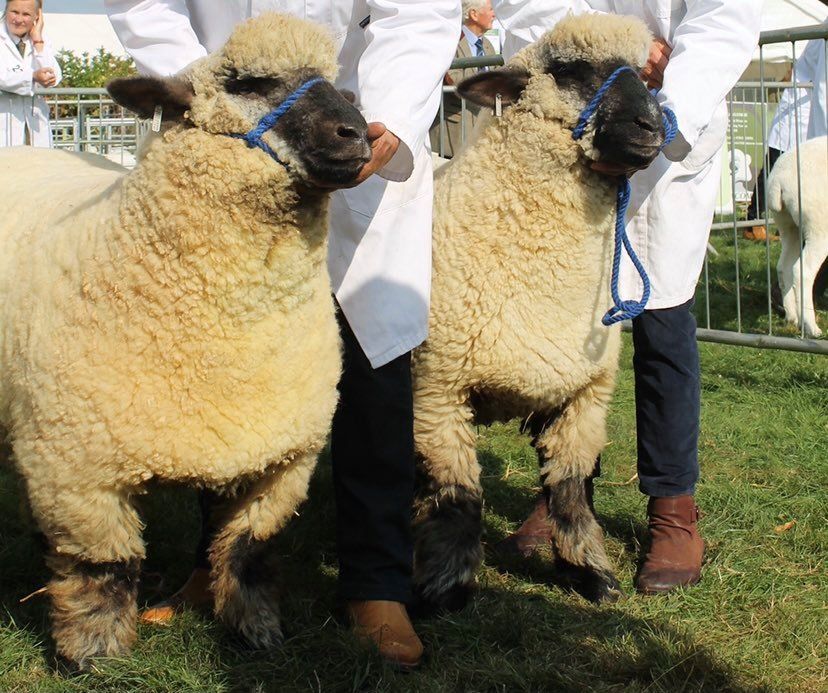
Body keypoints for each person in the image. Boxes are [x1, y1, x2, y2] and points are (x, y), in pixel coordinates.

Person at [106, 0, 459, 669]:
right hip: (231, 141)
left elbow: (417, 12)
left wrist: (379, 118)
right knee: (227, 363)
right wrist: (213, 88)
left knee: (370, 356)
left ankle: (376, 581)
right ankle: (220, 570)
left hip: (356, 128)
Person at [492, 0, 762, 595]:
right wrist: (613, 54)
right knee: (563, 327)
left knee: (663, 320)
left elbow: (724, 18)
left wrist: (668, 95)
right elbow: (531, 7)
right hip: (578, 126)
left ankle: (673, 510)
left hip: (666, 129)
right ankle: (565, 491)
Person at [745, 30, 825, 241]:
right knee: (774, 167)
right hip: (796, 111)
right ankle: (753, 221)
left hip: (806, 109)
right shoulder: (820, 37)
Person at [429, 0, 497, 158]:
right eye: (491, 9)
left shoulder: (487, 45)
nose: (494, 15)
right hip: (453, 133)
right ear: (474, 14)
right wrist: (488, 87)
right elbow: (453, 78)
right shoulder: (451, 40)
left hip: (480, 129)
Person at [0, 0, 61, 147]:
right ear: (5, 10)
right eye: (14, 12)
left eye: (26, 14)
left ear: (37, 17)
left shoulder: (40, 40)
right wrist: (33, 77)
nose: (19, 19)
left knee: (40, 167)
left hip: (35, 125)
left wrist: (38, 41)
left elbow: (54, 76)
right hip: (5, 122)